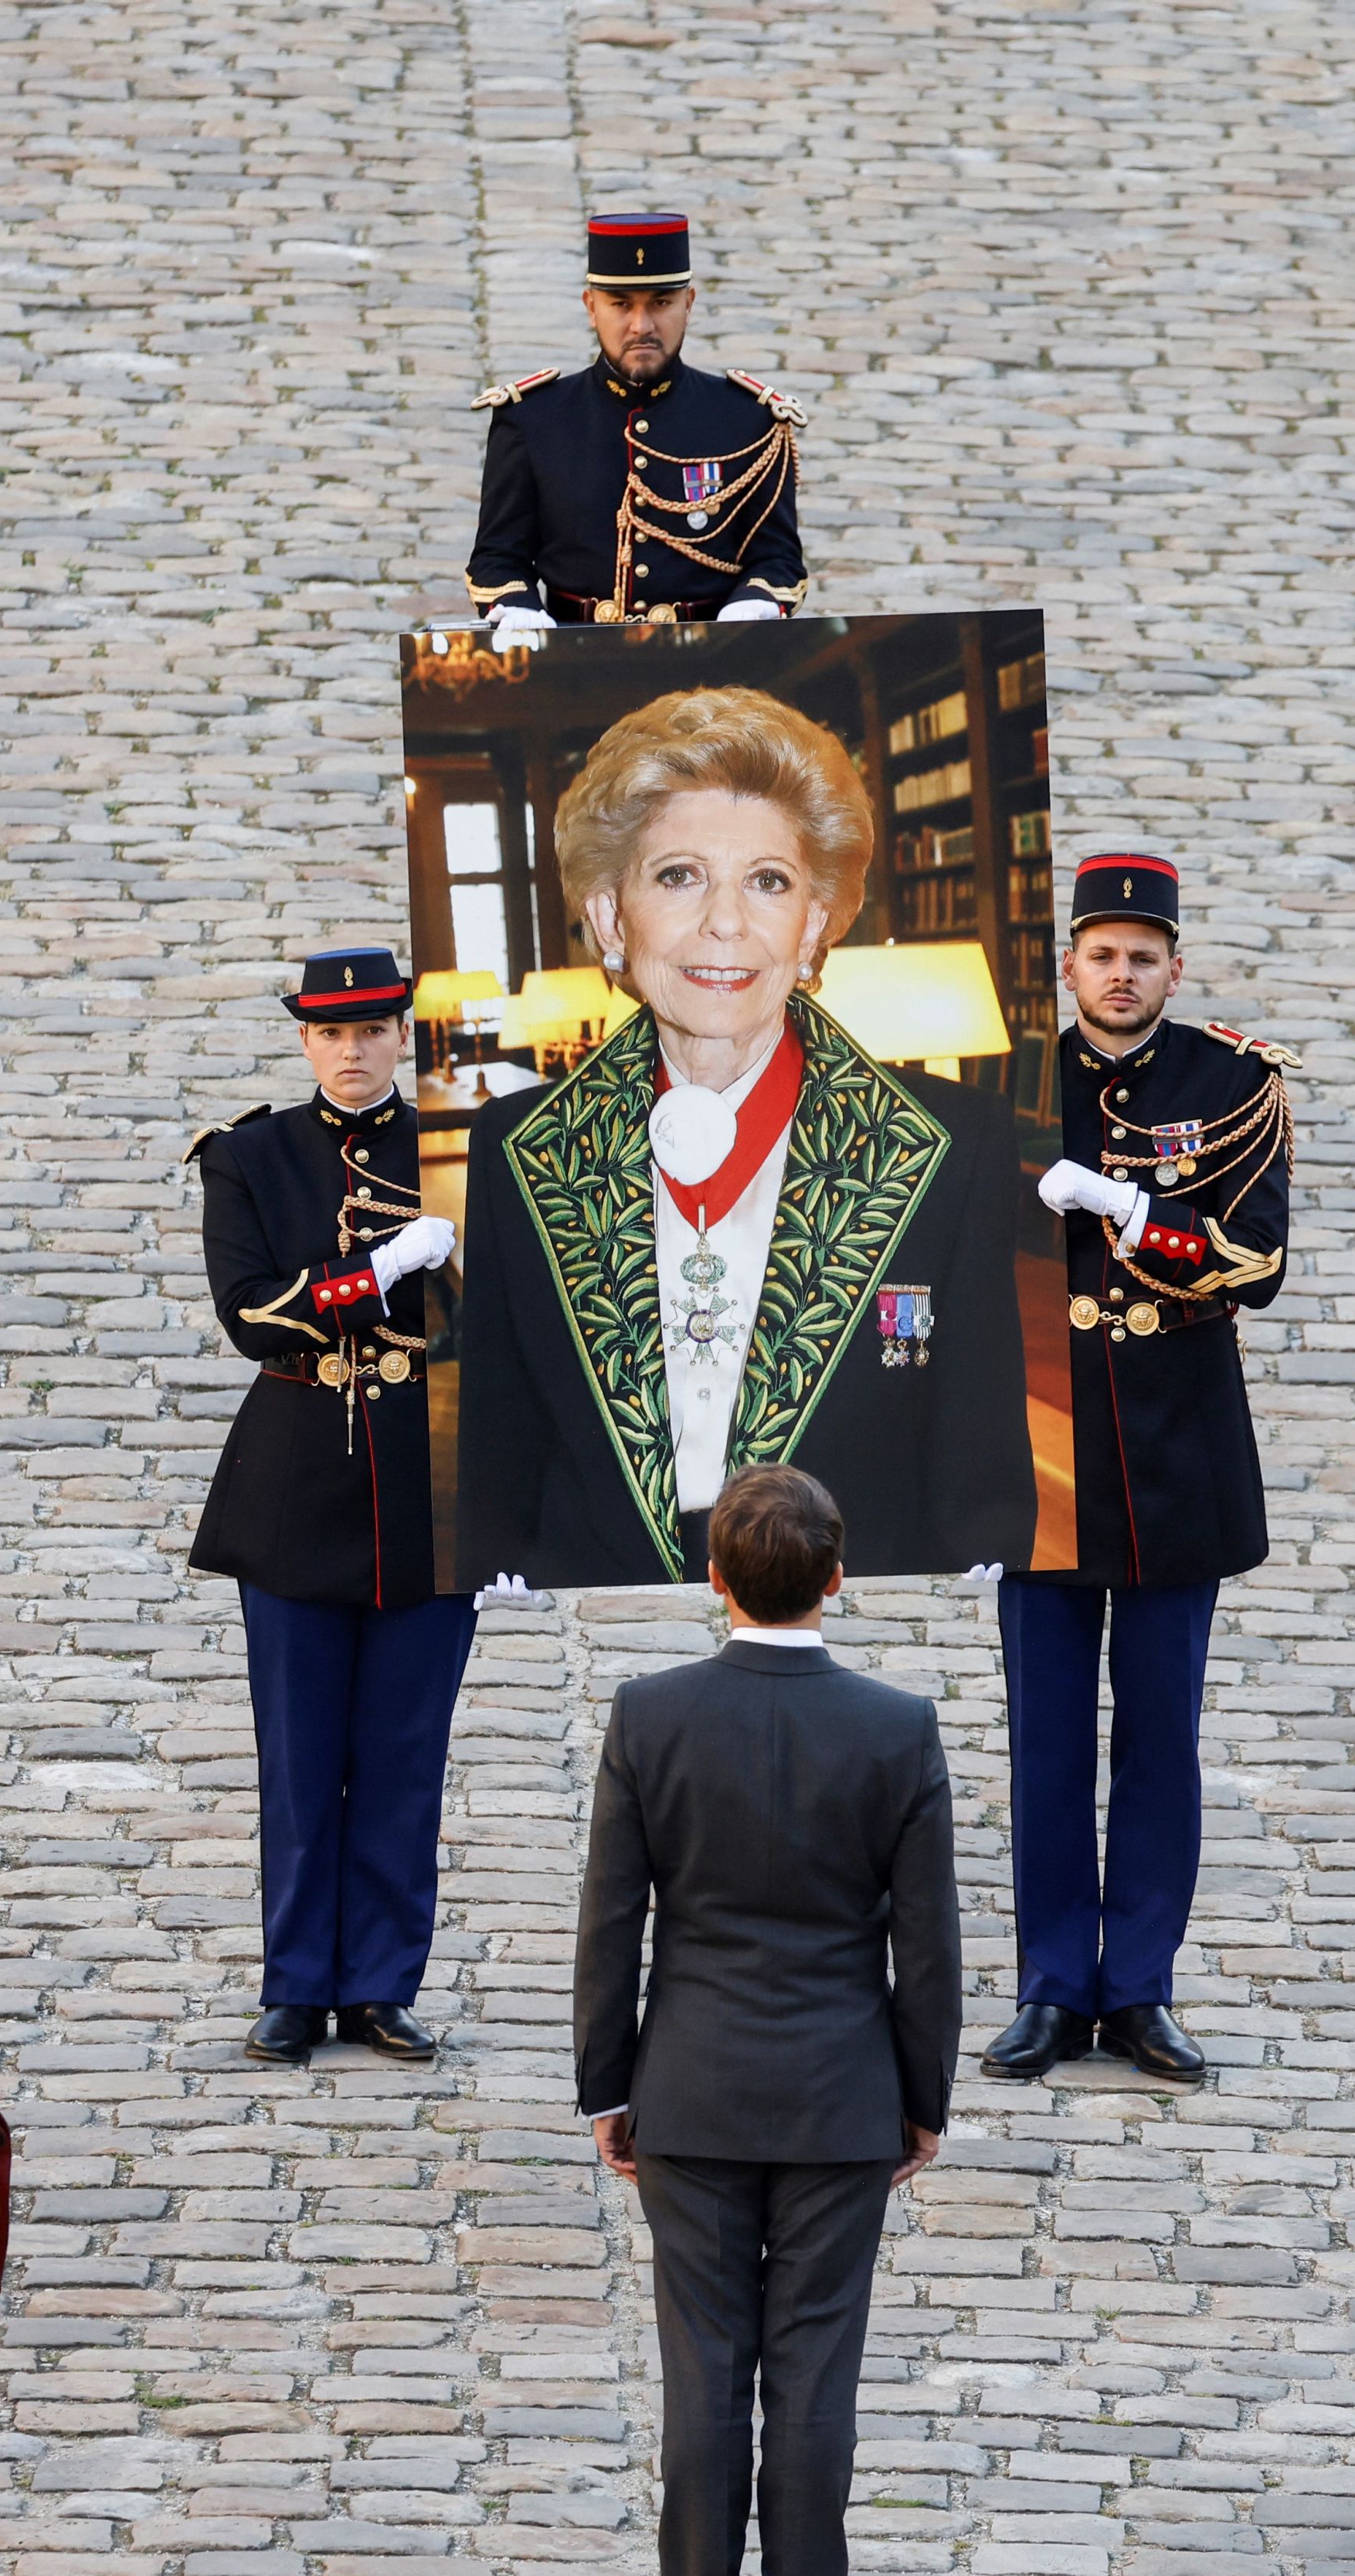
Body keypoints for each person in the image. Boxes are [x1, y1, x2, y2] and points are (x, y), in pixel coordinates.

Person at [456, 688, 1034, 1586]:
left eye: (768, 881)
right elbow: (496, 1477)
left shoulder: (949, 1148)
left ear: (814, 923)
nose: (724, 922)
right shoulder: (516, 1146)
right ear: (610, 916)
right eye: (677, 876)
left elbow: (980, 1490)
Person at [576, 1464, 957, 2576]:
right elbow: (926, 1946)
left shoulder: (651, 1715)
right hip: (839, 2099)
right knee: (811, 2377)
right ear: (835, 1578)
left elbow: (611, 1922)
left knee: (701, 2373)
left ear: (715, 1576)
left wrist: (607, 2081)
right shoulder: (894, 1728)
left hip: (690, 2090)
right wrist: (921, 2096)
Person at [983, 854, 1295, 2090]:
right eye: (1102, 955)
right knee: (1046, 1740)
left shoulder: (1231, 1082)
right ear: (1068, 963)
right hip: (1041, 1452)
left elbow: (1254, 1262)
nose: (1121, 975)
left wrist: (1127, 1211)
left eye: (1142, 957)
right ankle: (1054, 1985)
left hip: (1177, 1451)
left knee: (1161, 1739)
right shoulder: (1009, 1083)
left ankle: (1142, 1985)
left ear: (1174, 967)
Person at [188, 943, 474, 2068]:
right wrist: (381, 1271)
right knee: (299, 1755)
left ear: (403, 1033)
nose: (350, 1051)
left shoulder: (458, 1151)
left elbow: (510, 1314)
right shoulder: (248, 1155)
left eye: (369, 1031)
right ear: (304, 1040)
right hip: (296, 1481)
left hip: (431, 1487)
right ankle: (296, 1984)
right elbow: (250, 1314)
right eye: (329, 1033)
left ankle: (381, 1985)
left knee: (404, 1754)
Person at [467, 210, 808, 632]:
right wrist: (517, 606)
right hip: (573, 654)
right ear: (591, 307)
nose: (641, 326)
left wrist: (754, 602)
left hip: (713, 655)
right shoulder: (533, 418)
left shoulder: (748, 419)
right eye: (621, 304)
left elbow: (777, 558)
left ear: (689, 304)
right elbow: (498, 556)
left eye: (661, 303)